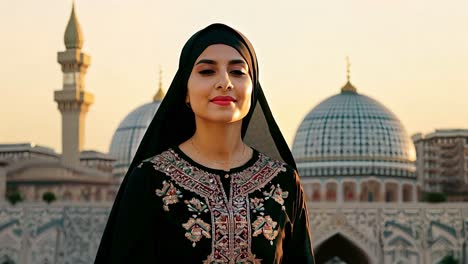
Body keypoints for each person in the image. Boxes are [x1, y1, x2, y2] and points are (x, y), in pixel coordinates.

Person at [95, 23, 315, 264]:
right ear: (185, 91)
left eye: (238, 72)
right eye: (207, 71)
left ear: (254, 88)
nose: (224, 82)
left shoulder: (282, 182)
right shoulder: (151, 180)